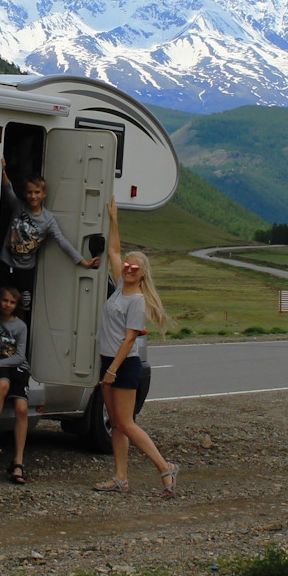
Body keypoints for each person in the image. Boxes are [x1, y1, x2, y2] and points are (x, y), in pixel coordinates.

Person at [93, 199, 178, 496]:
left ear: (143, 273)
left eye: (135, 266)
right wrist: (114, 218)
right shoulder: (119, 286)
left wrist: (112, 371)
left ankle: (165, 468)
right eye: (128, 265)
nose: (128, 268)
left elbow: (130, 339)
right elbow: (113, 250)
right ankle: (121, 479)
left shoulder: (137, 300)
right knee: (115, 423)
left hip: (123, 365)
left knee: (126, 423)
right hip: (109, 362)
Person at [0, 161, 100, 300]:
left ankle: (21, 323)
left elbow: (62, 241)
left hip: (25, 269)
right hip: (5, 262)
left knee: (24, 302)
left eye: (37, 192)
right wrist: (2, 170)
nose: (33, 196)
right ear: (24, 193)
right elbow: (8, 189)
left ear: (44, 193)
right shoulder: (18, 207)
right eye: (29, 192)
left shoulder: (48, 219)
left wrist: (83, 262)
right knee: (2, 300)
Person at [0, 286, 33, 483]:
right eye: (5, 300)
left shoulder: (20, 326)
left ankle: (18, 462)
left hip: (16, 365)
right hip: (1, 367)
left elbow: (20, 356)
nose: (8, 305)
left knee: (22, 409)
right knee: (2, 386)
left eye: (12, 302)